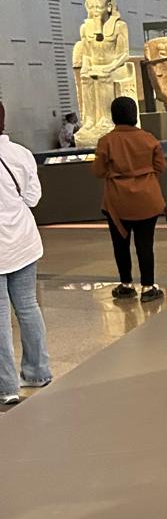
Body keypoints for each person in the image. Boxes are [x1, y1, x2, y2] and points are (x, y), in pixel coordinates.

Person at [0, 102, 52, 406]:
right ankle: (38, 372)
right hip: (24, 242)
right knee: (28, 307)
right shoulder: (20, 154)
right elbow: (32, 198)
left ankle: (6, 387)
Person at [92, 98, 167, 302]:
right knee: (145, 244)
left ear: (114, 115)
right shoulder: (148, 138)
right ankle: (148, 286)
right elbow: (161, 166)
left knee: (120, 244)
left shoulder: (106, 141)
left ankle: (126, 285)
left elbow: (98, 171)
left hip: (117, 201)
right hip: (147, 199)